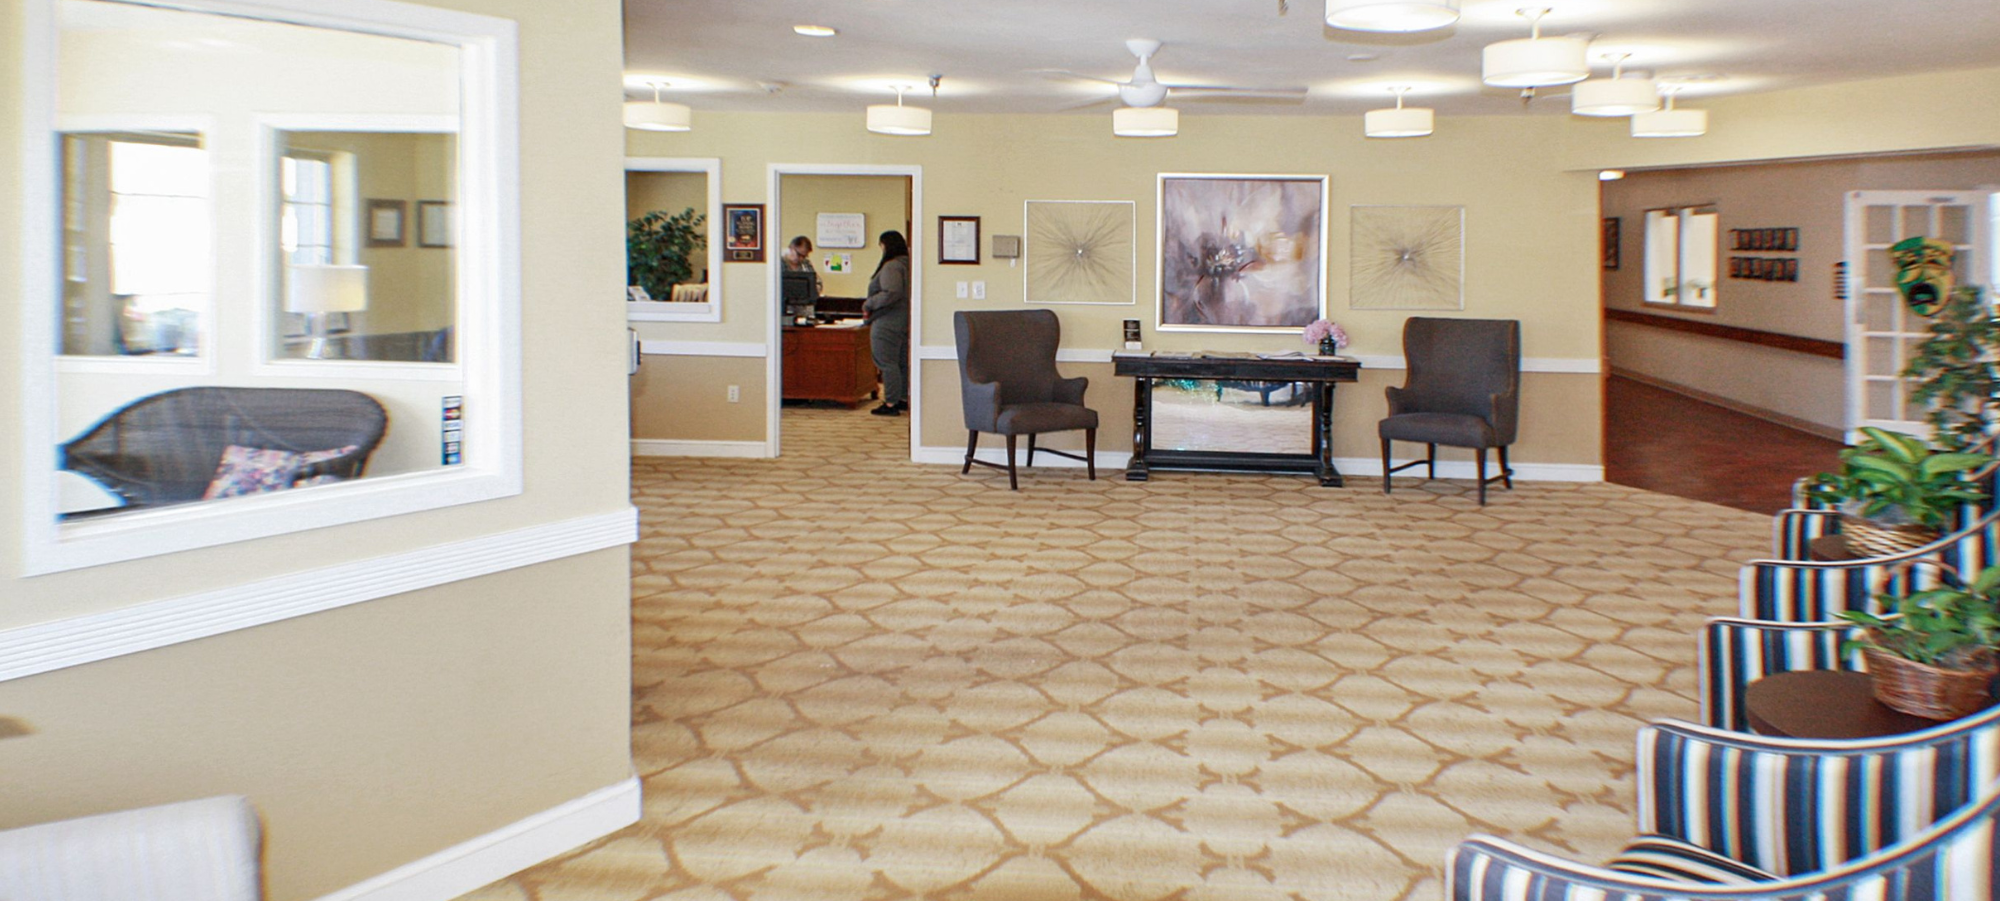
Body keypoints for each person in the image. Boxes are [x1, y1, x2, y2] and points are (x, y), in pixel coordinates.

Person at [863, 230, 911, 416]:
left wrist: (869, 303)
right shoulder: (908, 264)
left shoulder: (892, 266)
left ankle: (890, 403)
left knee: (886, 362)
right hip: (903, 320)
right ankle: (901, 398)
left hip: (887, 321)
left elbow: (891, 292)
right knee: (899, 362)